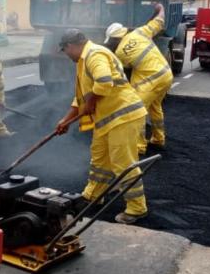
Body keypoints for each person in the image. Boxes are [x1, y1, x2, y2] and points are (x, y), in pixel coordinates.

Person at [55, 29, 148, 224]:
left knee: (123, 164)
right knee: (99, 160)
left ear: (71, 46)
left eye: (65, 50)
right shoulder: (84, 60)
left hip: (123, 116)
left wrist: (90, 104)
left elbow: (104, 82)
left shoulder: (94, 54)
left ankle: (137, 208)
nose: (66, 55)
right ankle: (92, 195)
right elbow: (81, 97)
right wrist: (65, 120)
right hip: (108, 120)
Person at [103, 3, 173, 155]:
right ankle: (158, 139)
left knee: (138, 110)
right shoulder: (140, 32)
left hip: (152, 80)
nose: (111, 45)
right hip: (166, 75)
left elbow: (123, 72)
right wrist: (159, 9)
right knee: (155, 107)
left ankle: (139, 146)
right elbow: (159, 21)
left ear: (116, 38)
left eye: (111, 42)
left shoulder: (120, 53)